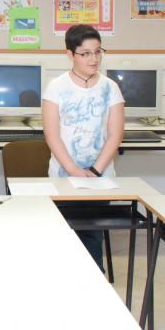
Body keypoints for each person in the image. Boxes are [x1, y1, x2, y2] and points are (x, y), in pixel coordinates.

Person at [42, 24, 125, 270]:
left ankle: (94, 286)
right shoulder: (56, 87)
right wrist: (74, 170)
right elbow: (52, 135)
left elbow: (115, 135)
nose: (94, 58)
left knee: (92, 237)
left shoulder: (110, 87)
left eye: (98, 52)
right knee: (63, 235)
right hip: (63, 176)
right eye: (85, 53)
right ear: (70, 54)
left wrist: (95, 170)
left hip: (100, 177)